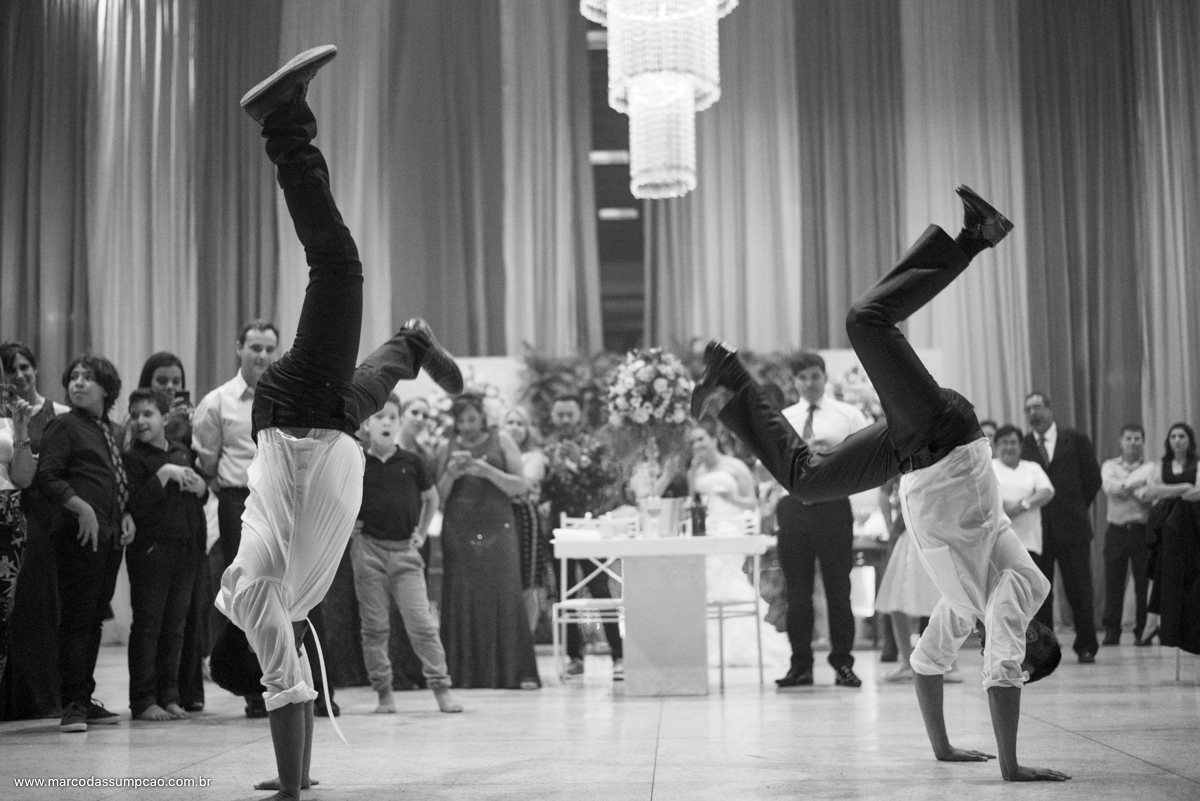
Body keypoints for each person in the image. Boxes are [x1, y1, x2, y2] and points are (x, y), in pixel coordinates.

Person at [692, 186, 1068, 782]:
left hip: (912, 456)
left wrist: (943, 749)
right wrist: (1012, 767)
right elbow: (1000, 672)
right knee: (866, 320)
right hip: (944, 434)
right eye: (1025, 645)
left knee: (807, 481)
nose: (1014, 641)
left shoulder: (968, 606)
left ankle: (730, 384)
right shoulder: (1023, 590)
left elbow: (924, 663)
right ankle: (976, 237)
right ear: (1027, 648)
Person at [217, 45, 464, 801]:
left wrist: (292, 793)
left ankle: (283, 123)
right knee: (365, 390)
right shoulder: (273, 596)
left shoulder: (263, 597)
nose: (289, 658)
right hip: (320, 426)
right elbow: (288, 684)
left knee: (337, 264)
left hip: (296, 415)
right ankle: (410, 347)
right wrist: (292, 777)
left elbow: (288, 689)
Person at [38, 354, 136, 732]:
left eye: (88, 378)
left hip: (109, 540)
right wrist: (81, 508)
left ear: (106, 389)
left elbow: (115, 481)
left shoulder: (111, 431)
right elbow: (47, 477)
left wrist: (124, 514)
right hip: (79, 535)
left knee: (94, 619)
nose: (77, 383)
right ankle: (73, 705)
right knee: (78, 619)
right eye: (73, 377)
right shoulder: (63, 425)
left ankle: (85, 695)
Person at [353, 394, 461, 714]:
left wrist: (422, 532)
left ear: (399, 423)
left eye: (392, 417)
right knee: (374, 628)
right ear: (367, 424)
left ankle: (441, 688)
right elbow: (340, 496)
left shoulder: (413, 462)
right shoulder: (357, 461)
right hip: (368, 552)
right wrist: (350, 525)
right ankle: (384, 693)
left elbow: (431, 499)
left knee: (422, 624)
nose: (386, 422)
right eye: (379, 416)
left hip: (405, 553)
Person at [192, 319, 278, 717]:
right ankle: (252, 690)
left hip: (279, 502)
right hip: (237, 503)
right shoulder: (217, 402)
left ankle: (286, 681)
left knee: (284, 592)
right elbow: (207, 465)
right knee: (245, 595)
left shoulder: (286, 394)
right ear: (238, 347)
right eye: (255, 347)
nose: (262, 355)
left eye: (269, 348)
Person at [773, 352, 869, 689]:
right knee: (796, 592)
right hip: (794, 507)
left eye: (815, 376)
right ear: (794, 382)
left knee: (838, 589)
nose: (809, 383)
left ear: (825, 377)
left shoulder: (848, 415)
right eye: (802, 378)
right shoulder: (783, 418)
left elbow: (867, 457)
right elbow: (769, 464)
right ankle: (800, 664)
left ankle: (843, 663)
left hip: (833, 506)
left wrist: (833, 452)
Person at [436, 393, 540, 689]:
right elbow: (437, 497)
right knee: (461, 595)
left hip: (499, 527)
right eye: (462, 419)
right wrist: (450, 475)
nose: (467, 425)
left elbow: (520, 485)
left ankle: (514, 672)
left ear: (482, 417)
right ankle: (463, 673)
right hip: (459, 529)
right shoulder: (446, 446)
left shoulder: (502, 440)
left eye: (472, 418)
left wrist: (487, 471)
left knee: (505, 594)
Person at [122, 389, 208, 720]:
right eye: (135, 415)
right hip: (151, 549)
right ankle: (143, 699)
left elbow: (198, 494)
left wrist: (201, 489)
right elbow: (133, 506)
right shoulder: (132, 458)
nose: (141, 421)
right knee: (148, 625)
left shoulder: (181, 452)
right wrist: (163, 475)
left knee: (176, 626)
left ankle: (170, 694)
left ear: (164, 418)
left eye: (148, 414)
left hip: (186, 548)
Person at [0, 342, 68, 720]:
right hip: (12, 514)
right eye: (12, 370)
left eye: (25, 367)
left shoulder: (58, 413)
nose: (20, 375)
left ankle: (37, 698)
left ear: (36, 369)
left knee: (37, 612)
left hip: (41, 521)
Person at [688, 419, 789, 667]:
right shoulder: (695, 471)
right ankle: (705, 644)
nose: (697, 445)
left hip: (731, 529)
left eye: (701, 439)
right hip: (704, 532)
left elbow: (754, 505)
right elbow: (694, 504)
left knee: (726, 580)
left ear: (714, 439)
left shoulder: (734, 467)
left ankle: (741, 643)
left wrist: (732, 498)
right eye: (692, 441)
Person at [1020, 392, 1102, 663]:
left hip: (1073, 527)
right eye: (1028, 408)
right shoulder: (1023, 445)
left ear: (1050, 409)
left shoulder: (1076, 440)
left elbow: (1092, 479)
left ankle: (1086, 645)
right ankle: (1045, 650)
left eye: (1038, 406)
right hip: (1037, 531)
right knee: (1041, 592)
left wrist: (1074, 507)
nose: (1034, 413)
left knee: (1079, 589)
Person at [874, 478, 943, 683]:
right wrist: (890, 525)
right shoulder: (902, 463)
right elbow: (884, 493)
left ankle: (945, 661)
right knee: (896, 599)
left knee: (939, 599)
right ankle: (906, 661)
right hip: (908, 533)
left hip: (932, 534)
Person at [1139, 422, 1200, 646]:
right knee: (1159, 571)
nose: (1177, 440)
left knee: (1183, 575)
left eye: (1181, 436)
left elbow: (1199, 492)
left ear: (1189, 440)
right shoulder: (1160, 465)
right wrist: (1184, 487)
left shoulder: (1197, 463)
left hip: (1190, 526)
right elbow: (1152, 491)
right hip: (1163, 526)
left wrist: (1173, 491)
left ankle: (1161, 622)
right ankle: (1154, 620)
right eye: (1173, 436)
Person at [1098, 424, 1156, 645]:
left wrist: (1126, 487)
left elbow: (1146, 495)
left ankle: (1143, 632)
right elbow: (1111, 488)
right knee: (1114, 582)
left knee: (1143, 583)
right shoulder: (1109, 465)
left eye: (1137, 438)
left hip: (1142, 531)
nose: (1133, 442)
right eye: (1129, 438)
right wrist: (1134, 484)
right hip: (1116, 531)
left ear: (1143, 441)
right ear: (1121, 441)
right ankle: (1112, 631)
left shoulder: (1151, 467)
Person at [504, 406, 552, 634]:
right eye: (510, 422)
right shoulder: (497, 454)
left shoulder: (535, 456)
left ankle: (526, 645)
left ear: (527, 429)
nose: (514, 428)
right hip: (498, 518)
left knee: (527, 582)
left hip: (524, 519)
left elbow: (524, 484)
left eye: (520, 423)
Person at [0, 385, 34, 685]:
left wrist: (21, 426)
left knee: (2, 615)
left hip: (7, 518)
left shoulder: (10, 421)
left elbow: (23, 478)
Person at [991, 425, 1055, 558]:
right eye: (1004, 442)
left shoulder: (1032, 468)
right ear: (996, 446)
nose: (1009, 447)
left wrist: (1023, 505)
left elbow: (1047, 491)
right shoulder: (988, 467)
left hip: (1029, 543)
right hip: (997, 544)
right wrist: (1002, 507)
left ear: (1021, 446)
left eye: (1013, 442)